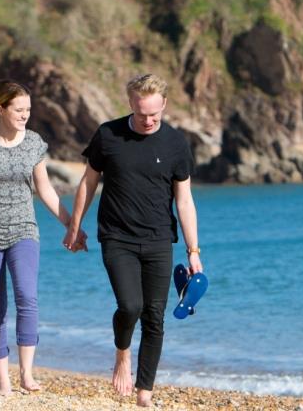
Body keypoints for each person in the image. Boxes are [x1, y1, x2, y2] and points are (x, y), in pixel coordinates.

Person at [64, 73, 204, 408]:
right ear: (131, 104)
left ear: (164, 105)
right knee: (131, 306)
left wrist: (194, 250)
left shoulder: (175, 144)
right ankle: (122, 354)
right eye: (142, 114)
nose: (148, 120)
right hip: (117, 237)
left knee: (155, 316)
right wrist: (74, 225)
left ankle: (145, 394)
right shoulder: (108, 135)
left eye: (155, 114)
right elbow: (88, 182)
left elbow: (184, 200)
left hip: (158, 239)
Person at [0, 80, 85, 395]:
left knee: (27, 298)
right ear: (0, 108)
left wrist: (71, 224)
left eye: (28, 109)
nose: (25, 115)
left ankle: (27, 374)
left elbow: (45, 189)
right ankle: (4, 382)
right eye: (19, 109)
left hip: (24, 231)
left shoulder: (34, 144)